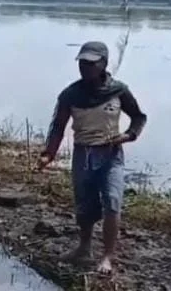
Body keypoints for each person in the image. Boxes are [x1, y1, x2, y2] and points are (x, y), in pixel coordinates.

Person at [38, 41, 147, 275]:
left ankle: (107, 256)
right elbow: (58, 126)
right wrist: (49, 154)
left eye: (91, 63)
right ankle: (84, 248)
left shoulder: (118, 90)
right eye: (82, 63)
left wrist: (128, 136)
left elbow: (139, 117)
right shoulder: (70, 94)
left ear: (104, 64)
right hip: (83, 154)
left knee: (112, 202)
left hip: (111, 155)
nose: (85, 68)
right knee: (85, 204)